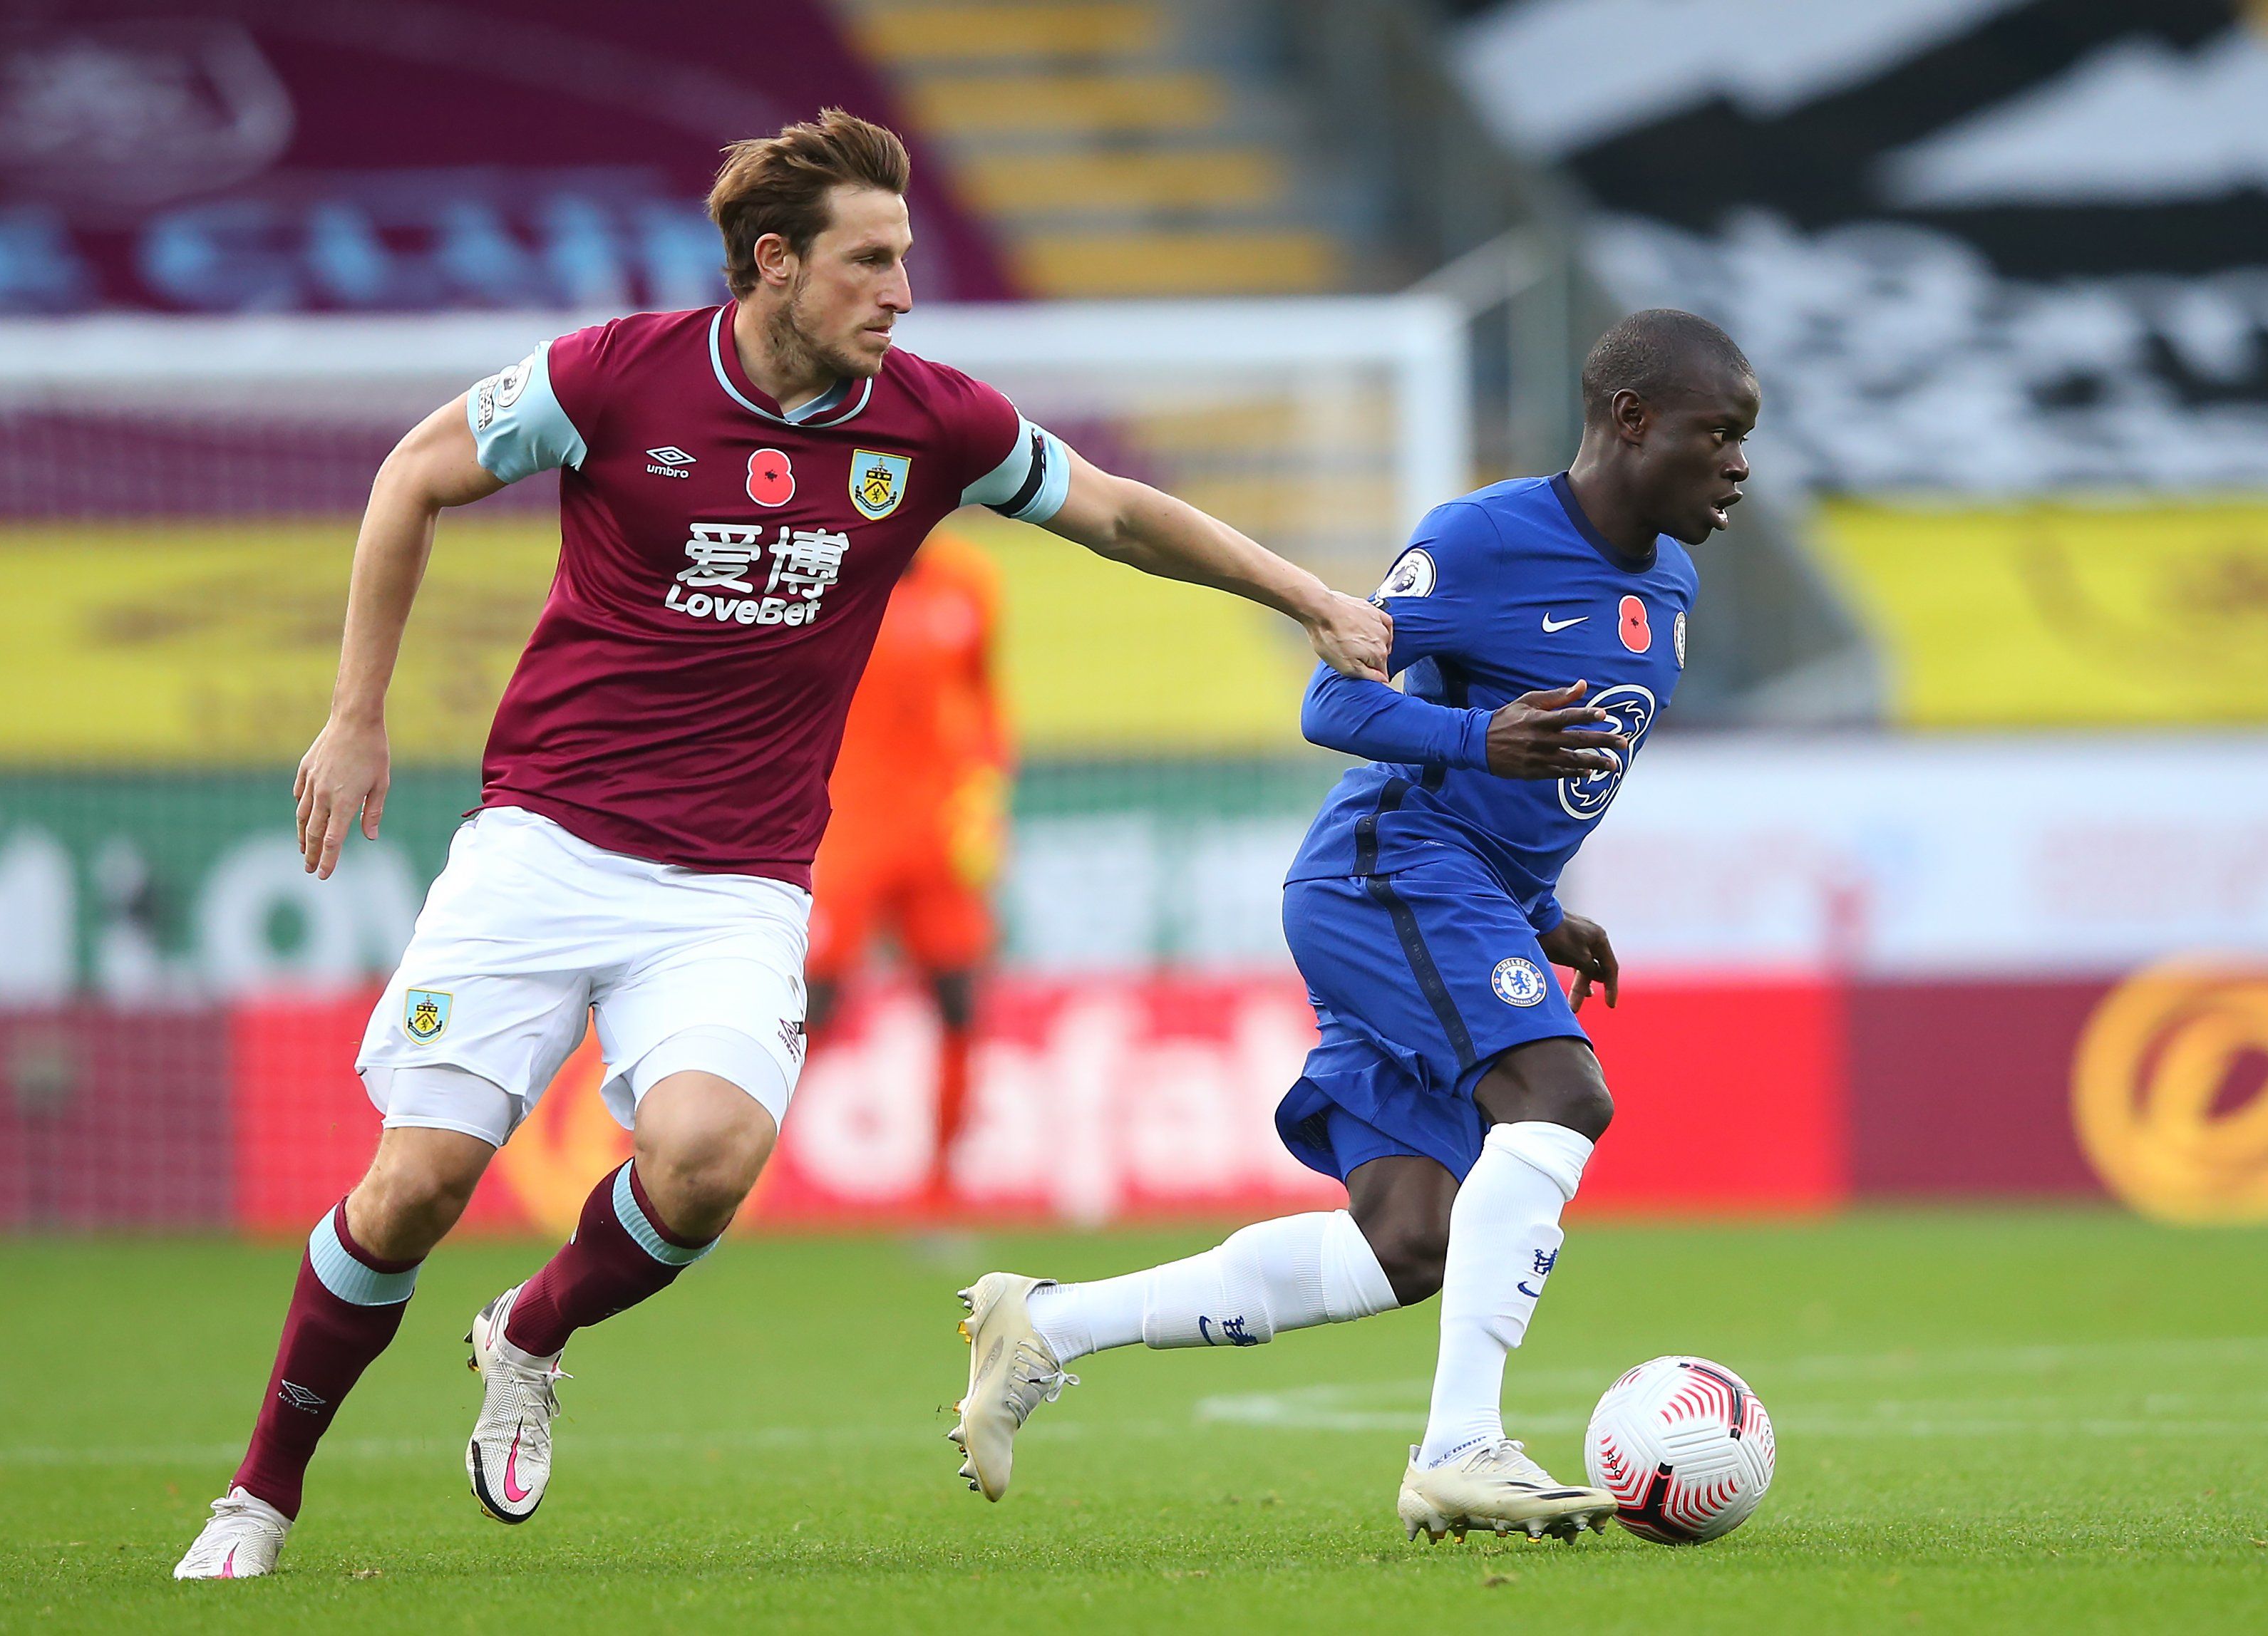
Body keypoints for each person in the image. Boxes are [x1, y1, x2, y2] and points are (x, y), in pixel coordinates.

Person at [173, 109, 1389, 1580]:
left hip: (737, 881)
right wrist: (353, 715)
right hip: (542, 846)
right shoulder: (611, 377)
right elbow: (412, 473)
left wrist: (1308, 598)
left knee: (705, 1161)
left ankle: (531, 1329)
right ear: (775, 264)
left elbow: (1120, 513)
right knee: (412, 1188)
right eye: (869, 261)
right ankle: (258, 1495)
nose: (901, 290)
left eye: (906, 259)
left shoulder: (933, 420)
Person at [952, 309, 1755, 1542]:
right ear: (1630, 421)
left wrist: (1537, 911)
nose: (1738, 464)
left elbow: (1540, 786)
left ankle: (1045, 1324)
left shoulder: (1672, 581)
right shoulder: (1483, 540)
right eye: (1719, 432)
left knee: (1404, 1242)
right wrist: (1471, 735)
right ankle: (1459, 1446)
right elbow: (1333, 700)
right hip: (1384, 870)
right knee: (1560, 1095)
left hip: (1463, 892)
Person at [804, 528, 1007, 1203]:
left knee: (958, 1002)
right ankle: (725, 1179)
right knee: (809, 1008)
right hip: (846, 827)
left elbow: (986, 704)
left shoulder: (966, 582)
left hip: (935, 834)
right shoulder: (830, 575)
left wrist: (982, 796)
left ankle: (941, 1194)